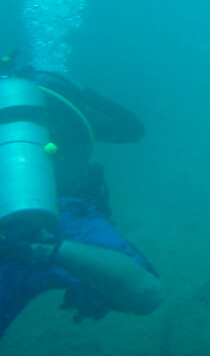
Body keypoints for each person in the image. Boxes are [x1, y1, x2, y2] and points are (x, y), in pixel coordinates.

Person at [0, 57, 164, 339]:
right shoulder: (56, 96)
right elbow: (130, 129)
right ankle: (44, 250)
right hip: (64, 221)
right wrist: (75, 87)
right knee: (143, 290)